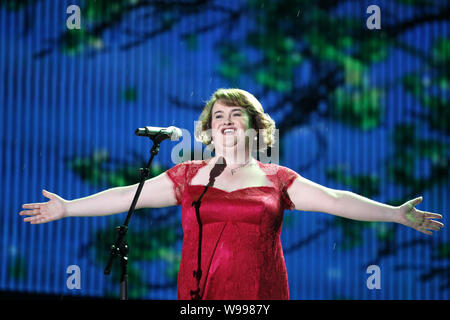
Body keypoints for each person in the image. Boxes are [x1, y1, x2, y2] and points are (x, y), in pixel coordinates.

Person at [20, 88, 444, 300]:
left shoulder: (277, 178)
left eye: (236, 115)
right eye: (218, 116)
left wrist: (393, 213)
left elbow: (335, 200)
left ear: (255, 128)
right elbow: (126, 196)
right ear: (207, 130)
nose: (226, 121)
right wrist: (68, 208)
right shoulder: (187, 176)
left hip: (261, 296)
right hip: (199, 297)